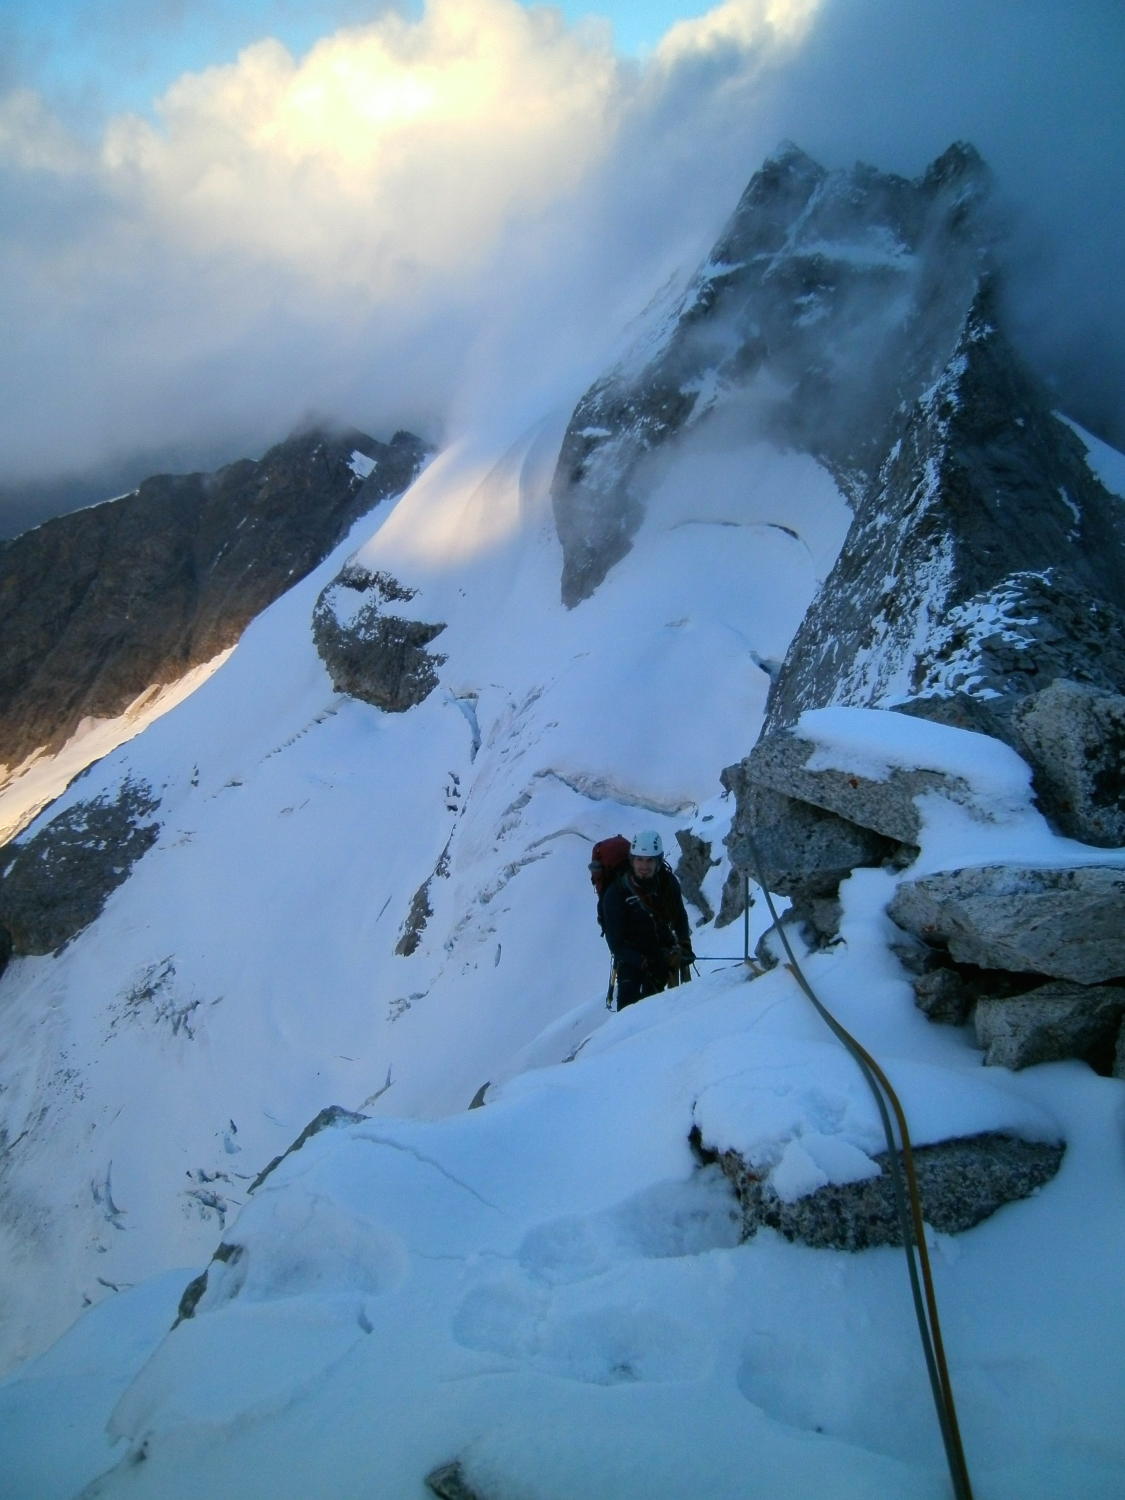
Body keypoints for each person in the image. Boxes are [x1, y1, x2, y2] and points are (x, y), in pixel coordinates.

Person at [600, 830, 695, 1009]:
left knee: (658, 1006)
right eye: (640, 859)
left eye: (650, 860)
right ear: (632, 860)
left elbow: (679, 915)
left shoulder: (667, 883)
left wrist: (684, 945)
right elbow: (615, 943)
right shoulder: (616, 893)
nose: (644, 865)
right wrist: (644, 962)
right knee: (627, 1009)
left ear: (658, 861)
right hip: (630, 956)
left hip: (662, 949)